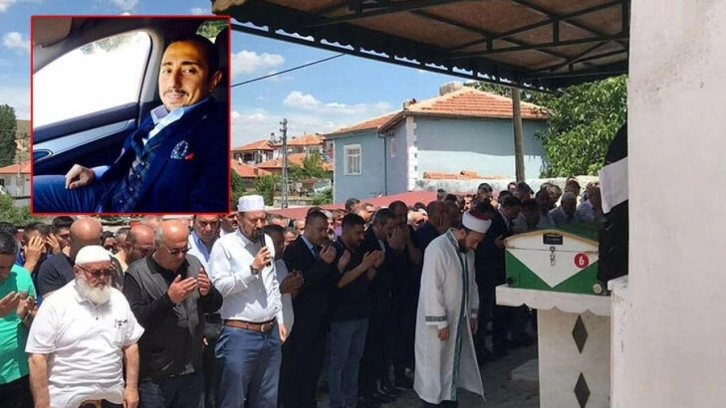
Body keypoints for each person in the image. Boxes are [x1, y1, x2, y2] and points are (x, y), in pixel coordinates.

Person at [32, 34, 229, 213]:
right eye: (167, 70)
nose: (173, 83)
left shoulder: (218, 131)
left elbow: (206, 207)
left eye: (188, 70)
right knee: (32, 189)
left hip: (132, 217)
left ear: (213, 80)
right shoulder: (156, 115)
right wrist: (95, 173)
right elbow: (130, 161)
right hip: (104, 194)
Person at [26, 245, 144, 408]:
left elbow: (130, 345)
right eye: (96, 273)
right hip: (66, 399)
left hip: (112, 397)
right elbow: (37, 357)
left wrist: (131, 388)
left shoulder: (118, 300)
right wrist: (42, 403)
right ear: (77, 271)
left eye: (107, 272)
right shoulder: (55, 304)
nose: (103, 278)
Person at [123, 220, 223, 408]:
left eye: (185, 249)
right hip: (156, 374)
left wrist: (208, 292)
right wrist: (168, 300)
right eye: (174, 251)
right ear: (157, 246)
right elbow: (135, 320)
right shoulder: (137, 274)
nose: (181, 256)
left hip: (191, 369)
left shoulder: (193, 264)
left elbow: (214, 305)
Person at [208, 195, 283, 408]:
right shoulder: (224, 245)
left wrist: (280, 318)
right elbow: (220, 287)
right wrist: (252, 269)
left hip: (270, 331)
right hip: (239, 333)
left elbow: (272, 282)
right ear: (239, 219)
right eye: (253, 220)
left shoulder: (267, 241)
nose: (259, 224)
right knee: (233, 397)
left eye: (262, 219)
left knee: (267, 398)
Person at [414, 210, 491, 407]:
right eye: (474, 241)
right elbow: (431, 287)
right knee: (434, 372)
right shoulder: (438, 248)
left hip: (457, 321)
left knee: (450, 370)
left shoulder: (468, 252)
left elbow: (471, 283)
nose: (475, 246)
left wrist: (473, 312)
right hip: (438, 325)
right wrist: (440, 321)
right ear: (463, 232)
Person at [279, 211, 339, 408]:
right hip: (301, 320)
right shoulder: (294, 250)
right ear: (308, 227)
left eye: (325, 230)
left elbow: (331, 282)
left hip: (320, 320)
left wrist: (333, 265)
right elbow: (300, 283)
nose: (323, 234)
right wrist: (322, 264)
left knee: (314, 370)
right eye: (319, 230)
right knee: (297, 372)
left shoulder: (323, 249)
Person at [328, 214, 384, 408]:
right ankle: (337, 402)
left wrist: (374, 267)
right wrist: (364, 266)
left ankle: (350, 401)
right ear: (346, 230)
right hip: (342, 317)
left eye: (362, 232)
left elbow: (364, 280)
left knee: (354, 361)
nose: (361, 237)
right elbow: (339, 282)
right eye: (357, 233)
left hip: (361, 313)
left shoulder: (359, 250)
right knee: (339, 363)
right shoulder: (336, 250)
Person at [0, 232, 37, 408]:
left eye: (10, 266)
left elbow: (35, 324)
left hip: (17, 374)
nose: (5, 273)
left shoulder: (21, 275)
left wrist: (26, 315)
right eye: (0, 267)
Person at [36, 217, 103, 297]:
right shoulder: (51, 267)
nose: (90, 250)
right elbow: (52, 301)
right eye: (84, 246)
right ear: (70, 242)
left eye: (95, 245)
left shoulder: (106, 263)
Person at [262, 224, 304, 341]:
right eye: (277, 243)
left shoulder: (281, 264)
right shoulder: (260, 268)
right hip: (269, 332)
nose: (282, 247)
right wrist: (281, 289)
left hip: (286, 330)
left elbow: (289, 296)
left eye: (283, 242)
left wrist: (295, 284)